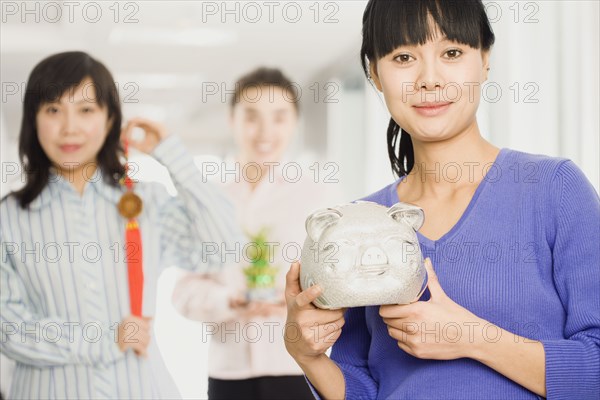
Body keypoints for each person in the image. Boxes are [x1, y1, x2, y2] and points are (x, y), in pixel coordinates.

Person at [283, 1, 600, 399]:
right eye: (403, 57)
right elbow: (363, 388)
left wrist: (470, 338)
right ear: (374, 74)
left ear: (485, 60)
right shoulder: (361, 222)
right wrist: (308, 356)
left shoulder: (554, 189)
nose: (429, 79)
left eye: (452, 53)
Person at [0, 51, 241, 399]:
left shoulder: (147, 202)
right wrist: (103, 338)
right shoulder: (8, 218)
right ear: (34, 120)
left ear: (110, 119)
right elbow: (7, 329)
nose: (70, 127)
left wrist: (174, 157)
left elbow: (223, 248)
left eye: (86, 110)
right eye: (53, 110)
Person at [172, 67, 340, 399]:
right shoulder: (207, 197)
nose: (265, 131)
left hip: (298, 367)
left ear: (294, 122)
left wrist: (303, 300)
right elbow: (184, 290)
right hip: (228, 371)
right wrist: (228, 301)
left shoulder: (318, 195)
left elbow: (338, 279)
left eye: (279, 117)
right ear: (231, 119)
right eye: (252, 116)